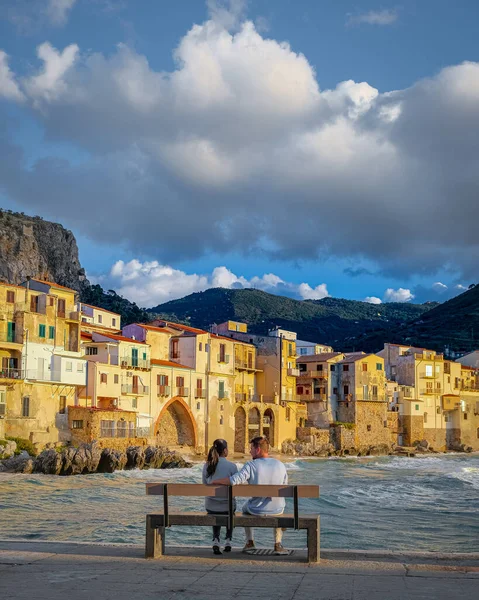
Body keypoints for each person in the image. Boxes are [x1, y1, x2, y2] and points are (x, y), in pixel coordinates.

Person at [212, 435, 289, 555]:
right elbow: (285, 486)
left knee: (244, 508)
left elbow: (234, 480)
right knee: (279, 505)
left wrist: (217, 481)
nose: (249, 451)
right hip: (277, 509)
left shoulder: (251, 465)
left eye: (251, 448)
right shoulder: (280, 465)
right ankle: (278, 544)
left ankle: (250, 542)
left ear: (258, 449)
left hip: (256, 510)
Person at [202, 438, 238, 555]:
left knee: (215, 510)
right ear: (225, 451)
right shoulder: (232, 466)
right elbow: (235, 486)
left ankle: (216, 540)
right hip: (227, 507)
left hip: (210, 506)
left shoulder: (207, 465)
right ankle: (228, 540)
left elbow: (204, 484)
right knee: (229, 509)